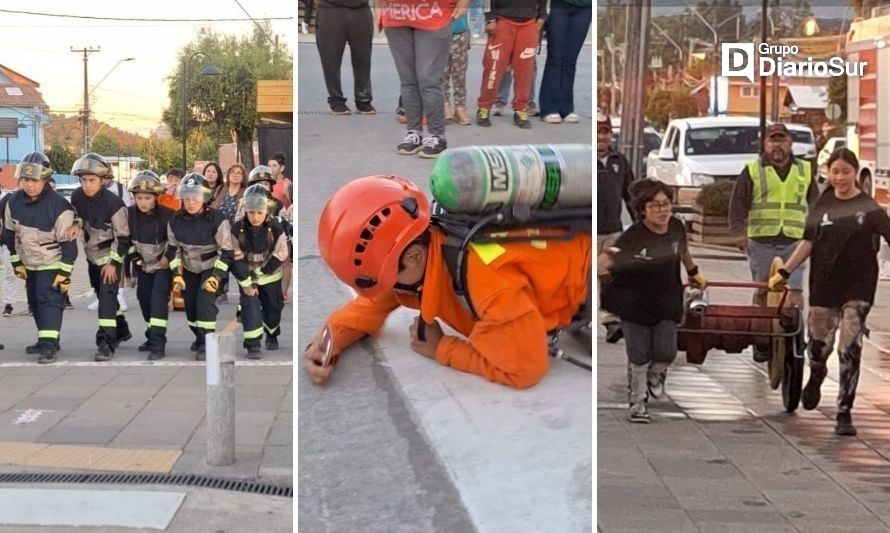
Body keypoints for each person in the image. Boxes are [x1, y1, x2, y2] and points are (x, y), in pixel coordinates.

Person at [302, 175, 591, 388]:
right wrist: (328, 341)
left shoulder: (486, 283)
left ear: (414, 256)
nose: (382, 291)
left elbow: (527, 369)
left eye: (385, 280)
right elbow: (370, 305)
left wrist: (443, 349)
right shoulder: (427, 248)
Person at [769, 148, 890, 436]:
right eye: (835, 172)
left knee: (849, 346)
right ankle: (817, 372)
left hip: (859, 284)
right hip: (825, 283)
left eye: (846, 172)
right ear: (828, 173)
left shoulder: (870, 208)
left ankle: (844, 411)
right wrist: (785, 271)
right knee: (819, 346)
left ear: (855, 174)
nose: (840, 178)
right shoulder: (821, 206)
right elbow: (808, 243)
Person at [598, 179, 707, 423]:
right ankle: (637, 404)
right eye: (655, 206)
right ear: (643, 210)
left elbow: (683, 251)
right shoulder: (632, 236)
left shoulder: (677, 227)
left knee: (666, 352)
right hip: (633, 303)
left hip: (667, 301)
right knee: (638, 354)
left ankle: (656, 375)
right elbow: (609, 258)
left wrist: (693, 272)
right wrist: (600, 266)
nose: (662, 210)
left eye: (666, 204)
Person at [729, 122, 819, 362]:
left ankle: (794, 334)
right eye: (772, 140)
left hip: (794, 241)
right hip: (761, 240)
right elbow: (738, 202)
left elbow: (816, 204)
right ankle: (761, 341)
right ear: (765, 144)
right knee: (761, 289)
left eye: (782, 140)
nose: (777, 145)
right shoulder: (752, 170)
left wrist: (818, 231)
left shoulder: (805, 170)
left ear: (790, 143)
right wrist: (739, 232)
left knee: (795, 289)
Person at [1, 153, 76, 362]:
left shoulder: (59, 205)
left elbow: (68, 243)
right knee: (34, 303)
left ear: (45, 180)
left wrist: (65, 271)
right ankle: (46, 338)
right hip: (29, 264)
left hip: (51, 263)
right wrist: (16, 262)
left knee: (48, 302)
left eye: (34, 180)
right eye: (25, 180)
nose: (29, 185)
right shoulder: (12, 201)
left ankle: (49, 346)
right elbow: (9, 233)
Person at [378, 0, 470, 158]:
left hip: (433, 13)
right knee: (407, 80)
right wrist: (379, 8)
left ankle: (437, 136)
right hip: (396, 14)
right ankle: (413, 133)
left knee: (429, 79)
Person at [165, 173, 236, 360]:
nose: (190, 202)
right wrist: (176, 275)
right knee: (190, 307)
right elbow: (172, 250)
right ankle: (199, 336)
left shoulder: (217, 219)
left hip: (210, 268)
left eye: (195, 197)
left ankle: (207, 344)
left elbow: (227, 251)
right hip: (189, 269)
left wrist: (216, 276)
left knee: (204, 305)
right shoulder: (175, 220)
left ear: (204, 197)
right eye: (186, 197)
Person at [69, 153, 133, 362]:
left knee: (105, 299)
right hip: (91, 257)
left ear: (103, 180)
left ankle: (106, 343)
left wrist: (113, 263)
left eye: (92, 180)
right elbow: (78, 215)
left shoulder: (114, 204)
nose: (87, 185)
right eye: (83, 180)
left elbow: (123, 238)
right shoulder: (77, 196)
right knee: (104, 295)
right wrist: (77, 224)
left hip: (110, 258)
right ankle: (121, 328)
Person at [230, 185, 289, 358]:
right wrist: (247, 280)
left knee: (273, 310)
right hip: (247, 278)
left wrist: (261, 273)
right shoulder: (236, 229)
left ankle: (272, 334)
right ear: (245, 210)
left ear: (267, 212)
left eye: (259, 213)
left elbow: (281, 253)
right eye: (251, 212)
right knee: (251, 307)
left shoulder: (276, 228)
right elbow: (235, 257)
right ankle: (253, 345)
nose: (255, 217)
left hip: (270, 277)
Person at [125, 171, 175, 361]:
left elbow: (174, 241)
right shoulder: (129, 215)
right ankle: (151, 333)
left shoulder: (168, 215)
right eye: (139, 198)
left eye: (147, 198)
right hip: (143, 266)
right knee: (144, 299)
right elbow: (125, 242)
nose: (143, 202)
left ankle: (157, 344)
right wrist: (136, 259)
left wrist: (167, 258)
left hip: (163, 266)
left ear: (156, 197)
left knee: (157, 302)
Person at [475, 0, 547, 129]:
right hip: (502, 21)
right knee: (493, 69)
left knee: (525, 71)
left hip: (529, 23)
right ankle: (484, 107)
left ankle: (521, 109)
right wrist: (489, 18)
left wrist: (542, 16)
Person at [596, 112, 634, 343]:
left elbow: (631, 195)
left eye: (605, 132)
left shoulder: (620, 162)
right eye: (598, 132)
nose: (601, 136)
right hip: (587, 230)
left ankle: (611, 322)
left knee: (609, 274)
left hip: (612, 231)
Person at [315, 0, 375, 115]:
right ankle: (336, 100)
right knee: (331, 60)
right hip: (330, 9)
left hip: (361, 9)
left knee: (363, 58)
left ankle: (363, 100)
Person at [538, 0, 590, 124]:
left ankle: (566, 107)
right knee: (555, 58)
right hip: (559, 7)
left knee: (570, 60)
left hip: (585, 8)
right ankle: (549, 108)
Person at [211, 163, 248, 304]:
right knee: (220, 260)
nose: (236, 175)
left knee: (238, 262)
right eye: (233, 172)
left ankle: (244, 290)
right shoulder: (221, 189)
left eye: (239, 173)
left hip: (236, 232)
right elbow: (214, 206)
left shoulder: (245, 191)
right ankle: (221, 290)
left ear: (243, 176)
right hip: (219, 231)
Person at [443, 10, 472, 126]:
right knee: (441, 74)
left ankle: (460, 108)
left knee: (459, 74)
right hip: (438, 31)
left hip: (460, 32)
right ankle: (444, 105)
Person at [0, 185, 19, 317]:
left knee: (33, 275)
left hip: (29, 244)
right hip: (8, 243)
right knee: (9, 274)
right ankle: (8, 304)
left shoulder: (11, 198)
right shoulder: (5, 200)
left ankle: (32, 304)